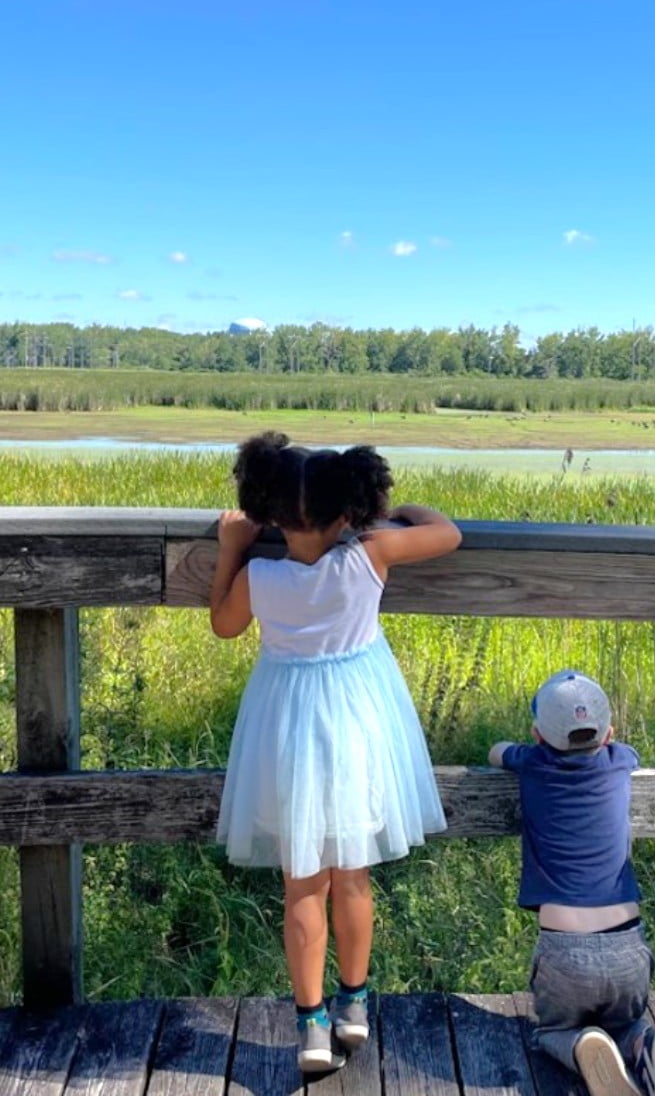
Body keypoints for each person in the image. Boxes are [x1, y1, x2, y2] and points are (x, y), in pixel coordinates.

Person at [210, 432, 461, 1074]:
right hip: (355, 730)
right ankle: (354, 1005)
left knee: (302, 884)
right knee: (352, 875)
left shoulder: (261, 576)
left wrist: (232, 548)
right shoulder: (369, 556)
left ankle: (311, 1027)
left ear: (269, 513)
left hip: (286, 732)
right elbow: (448, 534)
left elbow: (224, 625)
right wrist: (393, 514)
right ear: (348, 511)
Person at [488, 670, 655, 1096]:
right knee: (628, 1024)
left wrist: (520, 749)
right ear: (610, 734)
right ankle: (647, 1042)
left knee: (550, 1032)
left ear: (537, 735)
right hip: (628, 948)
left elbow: (497, 752)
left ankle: (581, 1043)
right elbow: (631, 754)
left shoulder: (532, 762)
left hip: (564, 952)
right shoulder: (620, 759)